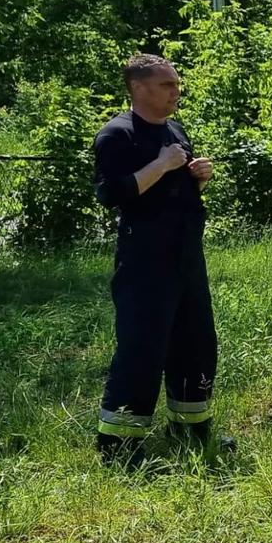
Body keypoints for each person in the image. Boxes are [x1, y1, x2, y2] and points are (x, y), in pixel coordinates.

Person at [92, 53, 218, 465]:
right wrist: (161, 165)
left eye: (176, 84)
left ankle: (190, 430)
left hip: (186, 254)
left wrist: (199, 177)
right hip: (145, 258)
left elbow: (178, 193)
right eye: (167, 85)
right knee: (142, 347)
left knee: (195, 343)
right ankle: (119, 445)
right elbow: (111, 194)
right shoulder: (117, 134)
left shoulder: (176, 130)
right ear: (138, 87)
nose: (176, 92)